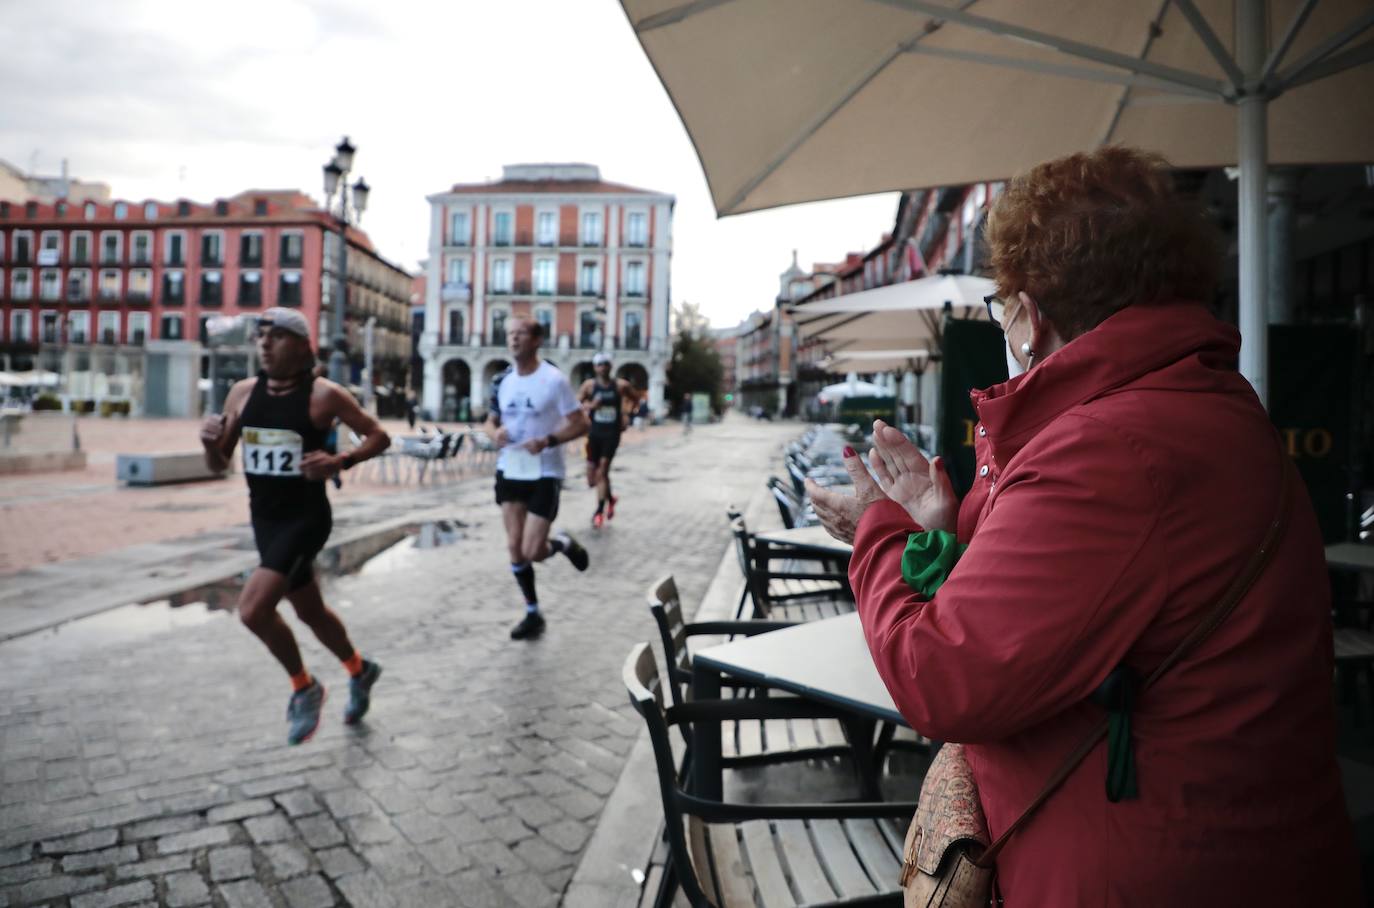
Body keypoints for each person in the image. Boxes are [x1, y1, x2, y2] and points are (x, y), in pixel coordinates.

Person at [807, 147, 1361, 905]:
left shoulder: (1106, 449)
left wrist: (879, 531)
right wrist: (938, 530)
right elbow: (1077, 608)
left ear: (1030, 317)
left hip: (1141, 865)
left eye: (1002, 304)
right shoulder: (1192, 406)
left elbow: (942, 678)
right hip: (1227, 845)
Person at [200, 308, 391, 746]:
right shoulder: (242, 394)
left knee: (253, 610)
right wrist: (209, 444)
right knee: (310, 612)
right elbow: (218, 464)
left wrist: (340, 461)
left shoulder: (324, 395)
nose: (265, 344)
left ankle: (304, 687)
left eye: (276, 336)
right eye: (260, 336)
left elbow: (379, 436)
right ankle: (360, 669)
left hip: (305, 519)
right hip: (265, 520)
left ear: (302, 346)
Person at [484, 314, 591, 640]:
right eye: (510, 334)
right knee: (514, 548)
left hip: (545, 471)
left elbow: (581, 423)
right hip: (511, 467)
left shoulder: (554, 380)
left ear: (536, 340)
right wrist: (495, 433)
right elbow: (490, 422)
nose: (513, 339)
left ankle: (562, 543)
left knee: (533, 550)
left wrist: (549, 440)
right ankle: (532, 612)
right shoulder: (502, 381)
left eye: (520, 333)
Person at [578, 352, 642, 528]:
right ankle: (611, 499)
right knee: (592, 479)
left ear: (611, 366)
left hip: (612, 434)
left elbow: (636, 399)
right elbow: (576, 404)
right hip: (593, 434)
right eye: (600, 364)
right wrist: (591, 406)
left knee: (603, 469)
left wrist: (627, 414)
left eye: (606, 364)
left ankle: (599, 511)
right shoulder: (589, 386)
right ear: (595, 367)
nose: (603, 368)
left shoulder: (620, 385)